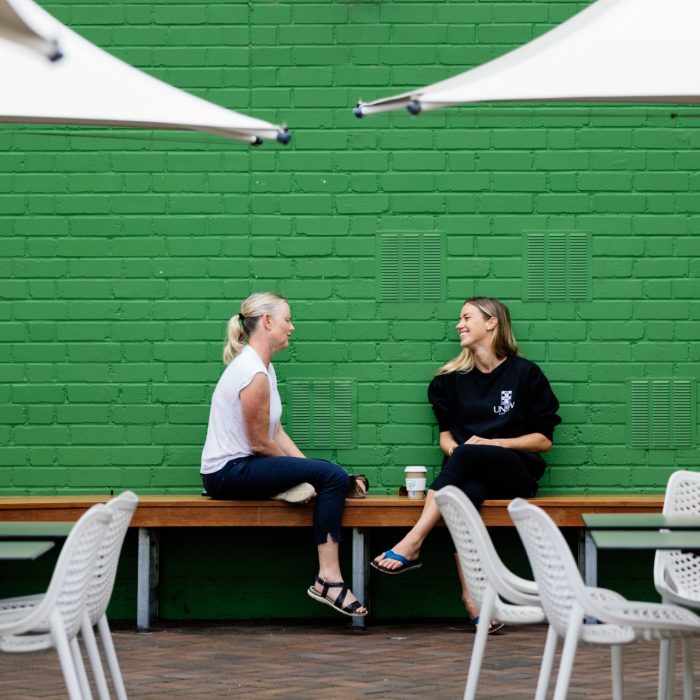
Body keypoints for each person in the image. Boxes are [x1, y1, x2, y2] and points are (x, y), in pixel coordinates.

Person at [371, 296, 560, 631]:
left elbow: (543, 441)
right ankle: (473, 598)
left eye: (466, 317)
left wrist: (491, 443)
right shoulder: (451, 379)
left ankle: (413, 542)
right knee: (465, 495)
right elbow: (446, 438)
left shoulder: (525, 374)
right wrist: (462, 452)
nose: (459, 324)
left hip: (516, 472)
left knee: (468, 456)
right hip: (470, 472)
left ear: (492, 323)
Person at [201, 292, 367, 618]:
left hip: (246, 466)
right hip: (226, 473)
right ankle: (328, 579)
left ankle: (319, 488)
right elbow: (260, 443)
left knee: (327, 474)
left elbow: (277, 432)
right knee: (331, 475)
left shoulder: (264, 368)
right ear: (267, 322)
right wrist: (311, 474)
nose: (291, 327)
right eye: (287, 320)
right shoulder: (253, 373)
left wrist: (307, 469)